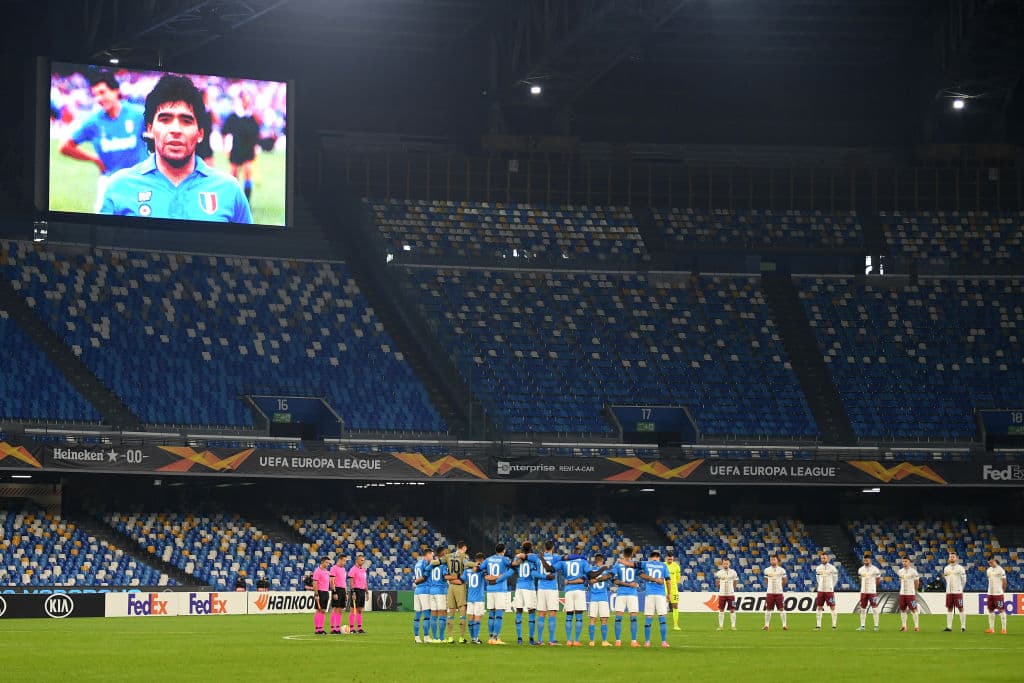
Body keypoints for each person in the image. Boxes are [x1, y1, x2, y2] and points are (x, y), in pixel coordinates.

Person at [100, 74, 252, 223]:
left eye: (186, 121)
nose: (176, 129)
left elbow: (247, 246)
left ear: (200, 133)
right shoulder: (119, 187)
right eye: (165, 119)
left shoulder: (229, 190)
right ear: (150, 129)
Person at [59, 71, 148, 211]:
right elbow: (65, 147)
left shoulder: (138, 114)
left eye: (102, 92)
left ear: (115, 91)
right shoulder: (93, 122)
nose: (99, 98)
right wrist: (95, 159)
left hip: (139, 182)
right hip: (109, 182)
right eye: (95, 95)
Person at [221, 90, 261, 203]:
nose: (247, 102)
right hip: (236, 148)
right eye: (245, 99)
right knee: (233, 175)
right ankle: (233, 200)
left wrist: (255, 147)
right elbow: (224, 132)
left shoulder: (252, 117)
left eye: (248, 100)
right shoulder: (233, 117)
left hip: (248, 149)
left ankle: (247, 202)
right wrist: (225, 147)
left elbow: (256, 134)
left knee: (248, 172)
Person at [555, 544, 592, 647]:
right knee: (579, 617)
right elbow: (585, 578)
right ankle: (576, 641)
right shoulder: (584, 562)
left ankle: (568, 640)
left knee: (569, 617)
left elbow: (553, 567)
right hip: (579, 590)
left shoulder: (564, 561)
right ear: (580, 553)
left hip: (568, 591)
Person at [482, 543, 516, 645]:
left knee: (491, 615)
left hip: (490, 589)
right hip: (500, 589)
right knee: (499, 615)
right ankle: (496, 638)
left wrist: (487, 577)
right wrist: (500, 577)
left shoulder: (488, 559)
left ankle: (490, 638)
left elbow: (480, 568)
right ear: (504, 551)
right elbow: (513, 568)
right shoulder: (505, 559)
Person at [511, 541, 542, 645]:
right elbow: (537, 566)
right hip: (529, 586)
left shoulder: (517, 557)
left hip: (519, 586)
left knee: (519, 611)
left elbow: (514, 565)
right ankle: (531, 639)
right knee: (531, 611)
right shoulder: (533, 557)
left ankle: (519, 639)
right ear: (531, 548)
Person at [611, 546, 642, 647]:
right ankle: (633, 641)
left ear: (623, 554)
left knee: (618, 618)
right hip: (632, 594)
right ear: (632, 554)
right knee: (633, 618)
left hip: (621, 594)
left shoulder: (617, 565)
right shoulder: (634, 565)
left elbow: (614, 580)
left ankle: (618, 641)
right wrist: (635, 584)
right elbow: (641, 575)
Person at [639, 549, 670, 648]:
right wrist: (669, 593)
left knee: (649, 617)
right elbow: (668, 581)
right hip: (660, 594)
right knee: (662, 617)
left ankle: (647, 642)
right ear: (659, 557)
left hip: (649, 594)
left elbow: (639, 573)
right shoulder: (663, 565)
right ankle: (664, 642)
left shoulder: (646, 564)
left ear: (651, 557)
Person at [445, 541, 472, 644]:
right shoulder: (464, 556)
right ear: (464, 547)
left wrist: (451, 579)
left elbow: (446, 573)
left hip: (451, 586)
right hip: (460, 585)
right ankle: (461, 638)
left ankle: (450, 637)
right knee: (462, 611)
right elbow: (465, 573)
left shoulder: (449, 556)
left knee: (451, 612)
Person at [536, 540, 563, 645]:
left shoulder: (538, 559)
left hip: (541, 588)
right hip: (552, 588)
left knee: (541, 613)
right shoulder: (555, 558)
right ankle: (551, 640)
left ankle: (539, 640)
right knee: (552, 613)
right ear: (552, 548)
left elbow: (534, 572)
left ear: (544, 548)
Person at [586, 554, 615, 647]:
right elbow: (608, 578)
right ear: (602, 560)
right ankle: (604, 641)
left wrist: (594, 580)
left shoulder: (590, 571)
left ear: (595, 560)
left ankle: (591, 641)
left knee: (592, 619)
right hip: (603, 597)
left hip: (593, 597)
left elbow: (589, 582)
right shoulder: (606, 570)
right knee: (604, 620)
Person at [462, 553, 487, 644]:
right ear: (481, 560)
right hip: (479, 598)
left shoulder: (467, 570)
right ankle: (475, 638)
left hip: (470, 597)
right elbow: (487, 578)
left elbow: (461, 580)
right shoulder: (481, 570)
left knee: (471, 618)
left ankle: (473, 638)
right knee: (477, 618)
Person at [426, 547, 449, 642]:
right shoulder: (444, 565)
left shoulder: (433, 564)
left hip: (432, 592)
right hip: (441, 591)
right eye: (446, 553)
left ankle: (435, 638)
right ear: (442, 554)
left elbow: (427, 569)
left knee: (434, 615)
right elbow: (445, 576)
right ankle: (442, 638)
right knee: (443, 614)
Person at [412, 548, 434, 643]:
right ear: (427, 554)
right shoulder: (425, 563)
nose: (432, 557)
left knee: (417, 616)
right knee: (427, 616)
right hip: (425, 590)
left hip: (417, 591)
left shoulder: (417, 563)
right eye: (432, 555)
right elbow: (425, 576)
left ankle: (416, 637)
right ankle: (426, 637)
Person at [942, 551, 967, 632]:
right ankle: (949, 627)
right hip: (949, 591)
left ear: (956, 558)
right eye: (950, 557)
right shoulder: (946, 568)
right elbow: (946, 579)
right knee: (949, 608)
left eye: (953, 557)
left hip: (958, 591)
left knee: (960, 608)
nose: (951, 558)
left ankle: (963, 627)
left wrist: (960, 588)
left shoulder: (960, 568)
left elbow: (964, 580)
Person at [814, 551, 839, 631]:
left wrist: (831, 586)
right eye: (822, 558)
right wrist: (820, 585)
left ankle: (834, 625)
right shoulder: (818, 568)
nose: (823, 559)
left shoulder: (832, 568)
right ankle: (818, 625)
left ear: (827, 558)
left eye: (824, 558)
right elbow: (818, 579)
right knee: (819, 607)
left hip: (829, 590)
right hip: (820, 590)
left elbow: (835, 579)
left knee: (832, 606)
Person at [762, 554, 788, 631]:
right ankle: (766, 625)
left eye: (774, 559)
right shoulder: (767, 570)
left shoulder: (782, 570)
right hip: (770, 592)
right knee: (768, 609)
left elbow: (784, 580)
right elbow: (766, 580)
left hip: (779, 593)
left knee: (781, 608)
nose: (772, 561)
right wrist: (769, 586)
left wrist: (780, 587)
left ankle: (784, 625)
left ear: (777, 560)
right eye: (771, 559)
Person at [856, 554, 882, 631]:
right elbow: (860, 579)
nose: (865, 561)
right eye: (864, 560)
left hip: (872, 592)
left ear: (870, 560)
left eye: (867, 560)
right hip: (863, 591)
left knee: (874, 608)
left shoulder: (875, 569)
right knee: (863, 608)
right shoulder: (860, 570)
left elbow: (878, 580)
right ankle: (862, 626)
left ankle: (876, 626)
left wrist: (873, 587)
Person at [984, 556, 1008, 635]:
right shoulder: (988, 570)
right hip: (990, 593)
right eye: (989, 563)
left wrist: (1002, 592)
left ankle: (1004, 629)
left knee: (1001, 610)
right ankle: (991, 629)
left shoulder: (1000, 570)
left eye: (991, 562)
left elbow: (1004, 582)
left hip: (998, 594)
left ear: (994, 560)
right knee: (990, 610)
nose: (990, 564)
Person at [896, 557, 920, 632]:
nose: (904, 563)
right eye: (903, 561)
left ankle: (916, 626)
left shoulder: (913, 572)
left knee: (913, 609)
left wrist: (914, 591)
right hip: (902, 593)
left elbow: (917, 582)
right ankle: (904, 626)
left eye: (905, 561)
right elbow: (901, 581)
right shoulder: (900, 571)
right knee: (903, 610)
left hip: (910, 594)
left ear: (909, 562)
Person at [714, 558, 739, 631]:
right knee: (721, 610)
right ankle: (721, 626)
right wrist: (721, 588)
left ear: (729, 564)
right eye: (724, 563)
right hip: (722, 595)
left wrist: (732, 589)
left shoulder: (733, 572)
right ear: (722, 564)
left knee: (733, 610)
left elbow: (735, 581)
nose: (725, 565)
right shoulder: (719, 573)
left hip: (731, 595)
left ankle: (733, 626)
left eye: (727, 563)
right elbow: (717, 583)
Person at [348, 552, 369, 634]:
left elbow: (365, 581)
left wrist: (367, 592)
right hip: (356, 590)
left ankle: (360, 628)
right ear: (357, 560)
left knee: (360, 610)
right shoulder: (353, 569)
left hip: (362, 591)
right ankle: (352, 628)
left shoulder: (363, 570)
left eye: (363, 560)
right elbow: (351, 581)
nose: (363, 562)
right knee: (353, 610)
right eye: (361, 560)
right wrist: (353, 592)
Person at [328, 555, 348, 635]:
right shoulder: (333, 568)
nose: (345, 562)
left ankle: (337, 627)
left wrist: (346, 592)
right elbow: (331, 581)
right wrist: (334, 592)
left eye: (345, 561)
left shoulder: (343, 569)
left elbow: (344, 582)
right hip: (337, 589)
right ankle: (333, 628)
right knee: (335, 609)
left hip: (343, 590)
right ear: (339, 560)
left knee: (340, 610)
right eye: (344, 561)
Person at [311, 556, 331, 635]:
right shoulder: (317, 571)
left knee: (323, 611)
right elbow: (315, 583)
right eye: (326, 562)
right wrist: (316, 594)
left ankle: (321, 628)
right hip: (319, 592)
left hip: (326, 592)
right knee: (318, 610)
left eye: (328, 563)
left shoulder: (326, 571)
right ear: (322, 562)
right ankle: (317, 629)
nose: (328, 564)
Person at [665, 550, 682, 631]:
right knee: (662, 607)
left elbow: (678, 578)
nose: (670, 561)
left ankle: (676, 625)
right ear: (666, 558)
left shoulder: (676, 566)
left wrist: (674, 585)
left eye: (671, 559)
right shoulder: (663, 566)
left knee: (675, 606)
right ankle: (663, 624)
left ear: (673, 558)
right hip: (664, 589)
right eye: (668, 559)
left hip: (674, 589)